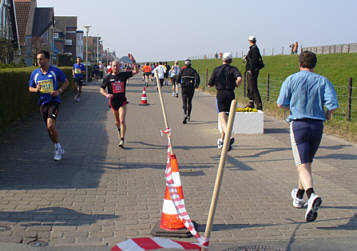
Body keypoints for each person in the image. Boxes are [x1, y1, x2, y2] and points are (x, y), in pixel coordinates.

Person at [277, 51, 338, 222]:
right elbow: (332, 104)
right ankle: (298, 196)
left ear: (299, 63)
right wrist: (328, 114)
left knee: (301, 165)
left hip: (299, 124)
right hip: (317, 125)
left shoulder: (291, 79)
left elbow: (281, 103)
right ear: (314, 64)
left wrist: (292, 105)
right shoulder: (322, 80)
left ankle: (311, 195)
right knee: (306, 163)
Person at [28, 50, 69, 161]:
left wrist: (59, 91)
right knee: (48, 128)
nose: (39, 61)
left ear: (47, 59)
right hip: (43, 103)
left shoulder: (55, 71)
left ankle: (57, 150)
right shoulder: (35, 73)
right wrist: (36, 89)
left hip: (54, 102)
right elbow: (30, 88)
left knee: (51, 125)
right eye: (37, 59)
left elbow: (66, 82)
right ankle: (58, 146)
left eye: (41, 59)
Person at [100, 54, 138, 148]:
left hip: (122, 101)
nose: (115, 67)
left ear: (120, 66)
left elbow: (136, 71)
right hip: (113, 102)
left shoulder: (123, 75)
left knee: (122, 120)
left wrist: (133, 61)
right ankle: (118, 129)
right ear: (111, 67)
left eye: (117, 66)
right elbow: (101, 89)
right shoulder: (107, 77)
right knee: (117, 122)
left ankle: (122, 139)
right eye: (114, 66)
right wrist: (106, 94)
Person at [208, 52, 242, 151]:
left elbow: (210, 84)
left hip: (221, 94)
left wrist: (216, 83)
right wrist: (237, 84)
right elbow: (239, 78)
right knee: (226, 120)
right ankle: (222, 141)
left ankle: (228, 136)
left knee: (222, 116)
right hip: (231, 94)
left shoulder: (217, 69)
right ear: (231, 60)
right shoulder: (233, 69)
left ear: (222, 59)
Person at [176, 59, 200, 124]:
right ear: (190, 64)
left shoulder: (182, 70)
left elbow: (178, 78)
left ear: (185, 64)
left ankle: (185, 114)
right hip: (191, 88)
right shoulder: (193, 70)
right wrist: (196, 85)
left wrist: (178, 82)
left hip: (184, 87)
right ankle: (189, 115)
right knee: (189, 101)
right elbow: (197, 78)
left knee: (184, 102)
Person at [245, 35, 264, 110]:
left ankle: (258, 104)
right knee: (250, 87)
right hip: (252, 70)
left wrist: (251, 69)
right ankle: (251, 102)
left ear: (249, 41)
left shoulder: (254, 49)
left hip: (252, 71)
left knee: (253, 87)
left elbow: (253, 61)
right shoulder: (253, 49)